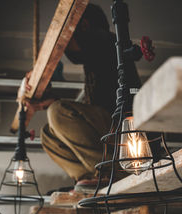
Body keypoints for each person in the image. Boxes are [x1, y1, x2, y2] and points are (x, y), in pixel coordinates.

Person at [26, 4, 141, 193]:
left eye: (70, 30)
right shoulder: (95, 59)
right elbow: (89, 109)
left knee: (57, 111)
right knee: (48, 133)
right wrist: (53, 99)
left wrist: (44, 62)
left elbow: (69, 44)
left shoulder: (107, 40)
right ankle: (89, 177)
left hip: (124, 130)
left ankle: (111, 172)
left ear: (84, 25)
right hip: (108, 127)